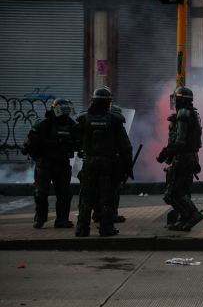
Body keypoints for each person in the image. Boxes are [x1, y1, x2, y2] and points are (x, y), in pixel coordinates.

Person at [74, 87, 133, 237]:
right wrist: (127, 167)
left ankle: (82, 228)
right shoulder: (114, 120)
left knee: (86, 197)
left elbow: (73, 139)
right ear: (108, 102)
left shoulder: (84, 119)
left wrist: (83, 149)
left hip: (88, 164)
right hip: (108, 165)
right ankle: (106, 228)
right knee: (107, 198)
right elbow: (126, 146)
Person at [21, 98, 80, 229]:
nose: (65, 111)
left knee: (65, 194)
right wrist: (55, 142)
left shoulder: (71, 124)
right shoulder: (44, 124)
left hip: (62, 164)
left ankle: (62, 219)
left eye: (67, 107)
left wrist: (68, 144)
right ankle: (40, 218)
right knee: (41, 193)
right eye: (63, 107)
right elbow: (30, 143)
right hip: (45, 164)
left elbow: (79, 143)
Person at [156, 86, 203, 231]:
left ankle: (193, 215)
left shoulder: (183, 114)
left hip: (183, 159)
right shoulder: (192, 113)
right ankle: (183, 220)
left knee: (171, 194)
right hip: (190, 158)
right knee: (183, 190)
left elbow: (179, 142)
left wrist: (164, 155)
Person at [91, 104, 128, 224]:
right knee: (113, 191)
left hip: (92, 164)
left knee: (95, 190)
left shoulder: (93, 125)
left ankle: (97, 214)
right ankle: (111, 215)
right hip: (110, 165)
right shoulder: (114, 128)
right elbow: (125, 146)